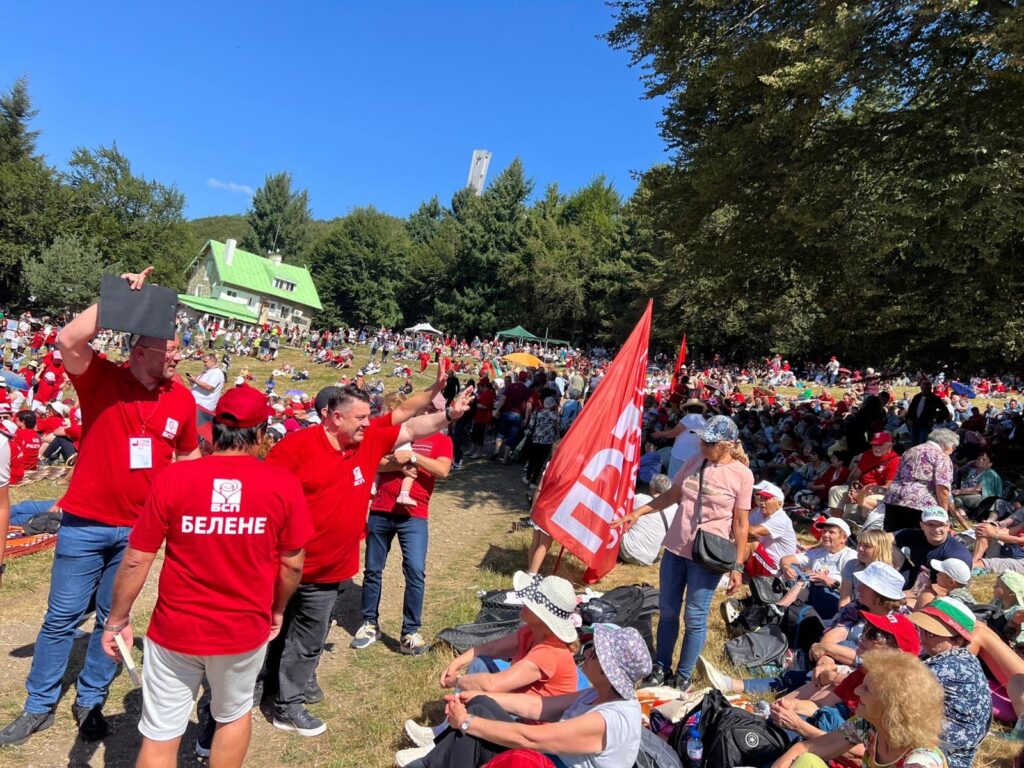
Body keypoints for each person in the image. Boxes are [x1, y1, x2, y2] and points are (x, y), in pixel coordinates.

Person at [0, 267, 201, 748]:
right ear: (139, 352)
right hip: (85, 525)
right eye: (170, 350)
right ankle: (38, 706)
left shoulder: (181, 398)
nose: (178, 357)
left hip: (139, 534)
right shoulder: (102, 379)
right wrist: (118, 300)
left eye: (179, 349)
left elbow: (190, 457)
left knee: (114, 620)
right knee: (61, 619)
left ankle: (90, 700)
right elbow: (69, 339)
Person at [99, 385, 312, 768]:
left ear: (213, 429)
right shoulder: (282, 484)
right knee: (232, 714)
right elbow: (292, 564)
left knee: (161, 734)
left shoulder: (174, 477)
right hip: (242, 629)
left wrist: (117, 619)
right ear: (261, 433)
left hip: (176, 628)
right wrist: (278, 609)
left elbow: (136, 559)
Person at [262, 381, 473, 737]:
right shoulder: (296, 447)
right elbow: (266, 495)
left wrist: (449, 414)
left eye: (368, 417)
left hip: (329, 569)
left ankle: (288, 701)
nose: (367, 423)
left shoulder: (368, 440)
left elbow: (411, 425)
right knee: (275, 630)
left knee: (309, 638)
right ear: (334, 417)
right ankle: (270, 691)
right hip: (286, 564)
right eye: (360, 418)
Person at [614, 415, 753, 690]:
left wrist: (738, 566)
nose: (703, 445)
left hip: (707, 555)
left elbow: (741, 523)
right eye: (702, 440)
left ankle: (683, 676)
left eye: (710, 442)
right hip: (676, 547)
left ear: (727, 445)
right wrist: (638, 513)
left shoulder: (742, 475)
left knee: (695, 617)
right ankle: (661, 668)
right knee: (667, 611)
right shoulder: (694, 461)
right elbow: (671, 496)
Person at [401, 624, 650, 768]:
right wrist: (475, 695)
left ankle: (430, 759)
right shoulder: (598, 693)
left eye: (594, 653)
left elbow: (531, 738)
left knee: (472, 729)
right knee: (480, 704)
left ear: (608, 672)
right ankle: (433, 759)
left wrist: (467, 722)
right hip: (546, 758)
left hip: (543, 757)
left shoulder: (608, 720)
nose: (586, 653)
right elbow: (536, 706)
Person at [402, 573, 579, 757]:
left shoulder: (549, 652)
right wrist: (457, 662)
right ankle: (443, 731)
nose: (523, 601)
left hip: (529, 731)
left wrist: (457, 680)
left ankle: (439, 748)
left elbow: (492, 685)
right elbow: (492, 648)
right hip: (519, 710)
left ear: (542, 616)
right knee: (480, 664)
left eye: (530, 601)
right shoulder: (532, 632)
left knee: (481, 703)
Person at [355, 394, 454, 655]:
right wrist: (398, 465)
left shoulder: (441, 440)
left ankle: (410, 631)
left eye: (434, 409)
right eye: (426, 407)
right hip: (381, 510)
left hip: (414, 514)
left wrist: (413, 457)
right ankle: (369, 623)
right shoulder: (394, 433)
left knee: (415, 570)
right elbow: (372, 462)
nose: (428, 411)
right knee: (373, 569)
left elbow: (442, 470)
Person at [771, 649, 946, 768]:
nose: (856, 691)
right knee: (807, 761)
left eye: (866, 689)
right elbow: (807, 748)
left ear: (890, 705)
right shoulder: (866, 725)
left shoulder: (921, 760)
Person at [907, 597, 991, 768]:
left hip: (940, 757)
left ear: (958, 639)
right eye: (922, 629)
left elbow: (892, 690)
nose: (923, 636)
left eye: (931, 633)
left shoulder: (950, 668)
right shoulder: (961, 658)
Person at [882, 428, 958, 532]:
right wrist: (943, 515)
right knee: (918, 538)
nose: (953, 451)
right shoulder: (941, 457)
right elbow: (942, 488)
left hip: (894, 498)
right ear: (945, 443)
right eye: (954, 447)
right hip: (920, 503)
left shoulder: (910, 451)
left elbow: (898, 475)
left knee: (893, 537)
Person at [827, 432, 900, 524]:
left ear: (889, 446)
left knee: (860, 500)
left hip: (876, 491)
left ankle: (854, 523)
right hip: (860, 487)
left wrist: (862, 492)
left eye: (880, 445)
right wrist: (852, 489)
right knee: (835, 490)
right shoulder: (867, 454)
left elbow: (888, 487)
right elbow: (855, 475)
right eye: (874, 445)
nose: (876, 448)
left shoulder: (895, 460)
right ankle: (835, 524)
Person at [894, 506, 972, 589]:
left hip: (937, 588)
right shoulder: (915, 536)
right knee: (889, 547)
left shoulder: (957, 554)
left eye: (941, 525)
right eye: (931, 525)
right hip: (917, 578)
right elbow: (886, 539)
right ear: (922, 525)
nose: (936, 529)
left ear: (948, 526)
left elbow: (955, 587)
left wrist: (924, 590)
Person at [618, 474, 677, 566]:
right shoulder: (675, 507)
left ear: (651, 487)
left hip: (628, 551)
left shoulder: (639, 498)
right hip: (649, 559)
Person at [743, 480, 797, 578]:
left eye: (767, 499)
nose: (762, 502)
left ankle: (730, 571)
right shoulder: (758, 512)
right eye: (761, 498)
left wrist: (735, 525)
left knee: (752, 542)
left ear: (779, 504)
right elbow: (742, 524)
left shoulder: (781, 519)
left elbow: (751, 531)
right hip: (762, 559)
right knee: (744, 538)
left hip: (777, 569)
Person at [837, 528, 894, 609]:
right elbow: (845, 599)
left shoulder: (888, 573)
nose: (860, 548)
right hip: (853, 611)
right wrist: (844, 614)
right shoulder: (852, 565)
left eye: (867, 546)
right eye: (859, 544)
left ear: (880, 549)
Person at [186, 352, 226, 427]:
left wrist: (195, 380)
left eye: (205, 362)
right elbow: (198, 385)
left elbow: (209, 387)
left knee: (196, 427)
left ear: (212, 361)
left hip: (204, 406)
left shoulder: (216, 373)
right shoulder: (207, 371)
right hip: (197, 404)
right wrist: (192, 381)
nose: (204, 364)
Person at [907, 379, 949, 446]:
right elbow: (910, 409)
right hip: (915, 423)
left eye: (925, 388)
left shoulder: (935, 399)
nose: (924, 390)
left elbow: (945, 412)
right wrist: (908, 418)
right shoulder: (917, 397)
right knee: (913, 443)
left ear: (930, 388)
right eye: (922, 388)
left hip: (926, 425)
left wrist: (936, 419)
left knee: (922, 443)